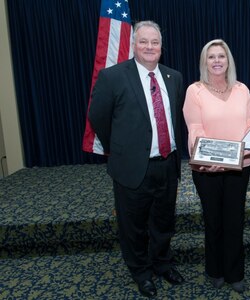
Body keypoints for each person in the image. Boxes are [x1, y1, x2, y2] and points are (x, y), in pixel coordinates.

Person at [88, 20, 185, 298]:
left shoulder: (173, 77)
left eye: (155, 42)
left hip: (167, 165)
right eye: (143, 41)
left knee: (164, 221)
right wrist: (120, 148)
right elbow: (98, 118)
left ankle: (163, 263)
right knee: (133, 225)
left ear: (161, 47)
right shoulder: (113, 76)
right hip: (131, 167)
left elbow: (176, 118)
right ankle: (141, 272)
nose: (149, 47)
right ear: (133, 45)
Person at [183, 39, 250, 293]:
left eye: (221, 57)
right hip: (207, 170)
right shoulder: (195, 91)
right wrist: (206, 161)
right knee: (213, 220)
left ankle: (235, 272)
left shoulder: (242, 89)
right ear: (205, 62)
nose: (216, 61)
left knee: (234, 220)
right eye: (211, 57)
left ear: (228, 61)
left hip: (239, 167)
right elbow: (195, 129)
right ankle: (214, 269)